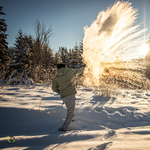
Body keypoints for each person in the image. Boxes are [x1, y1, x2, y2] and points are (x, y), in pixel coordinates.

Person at [52, 63, 85, 132]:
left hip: (64, 96)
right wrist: (88, 67)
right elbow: (80, 70)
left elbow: (54, 89)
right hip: (70, 95)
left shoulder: (56, 78)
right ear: (65, 66)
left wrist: (61, 92)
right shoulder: (70, 72)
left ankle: (71, 120)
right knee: (70, 112)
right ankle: (65, 128)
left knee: (70, 109)